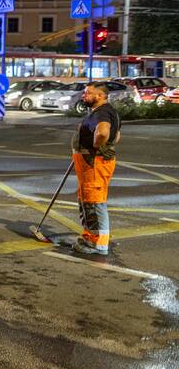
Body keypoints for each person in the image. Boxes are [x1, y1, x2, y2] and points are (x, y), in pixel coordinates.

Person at [70, 81, 121, 255]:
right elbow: (117, 136)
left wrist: (94, 147)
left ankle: (98, 243)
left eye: (88, 93)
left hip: (95, 163)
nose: (84, 95)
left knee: (95, 201)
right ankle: (90, 237)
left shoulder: (103, 113)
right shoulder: (105, 111)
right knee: (88, 200)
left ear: (99, 96)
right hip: (90, 162)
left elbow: (103, 133)